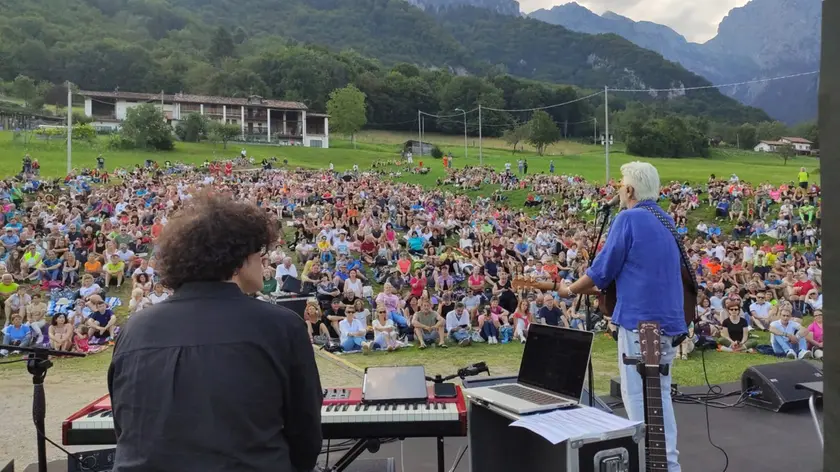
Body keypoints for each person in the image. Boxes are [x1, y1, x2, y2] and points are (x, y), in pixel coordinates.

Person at [107, 194, 322, 472]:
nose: (263, 261)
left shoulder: (134, 329)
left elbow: (126, 429)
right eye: (260, 253)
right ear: (239, 259)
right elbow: (306, 433)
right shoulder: (281, 326)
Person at [556, 162, 687, 472]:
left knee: (639, 400)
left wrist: (570, 290)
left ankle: (651, 465)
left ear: (629, 190)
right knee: (661, 399)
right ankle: (667, 465)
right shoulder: (666, 220)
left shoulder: (628, 219)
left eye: (620, 185)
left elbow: (601, 272)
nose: (617, 190)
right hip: (669, 323)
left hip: (640, 324)